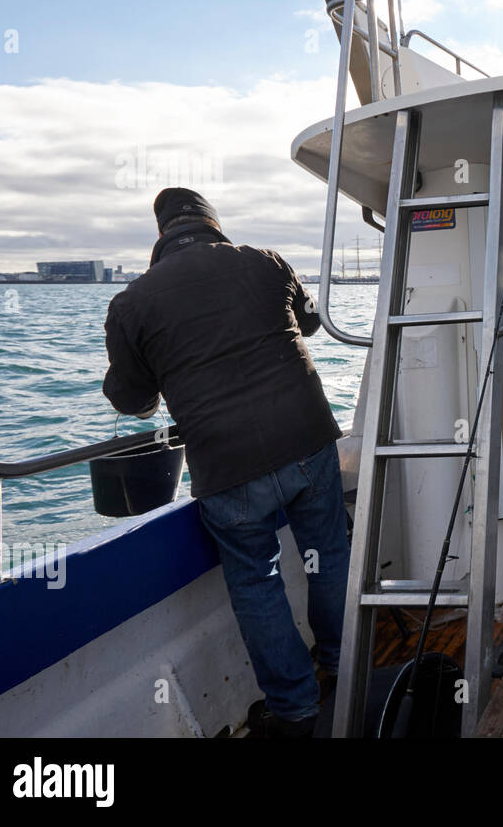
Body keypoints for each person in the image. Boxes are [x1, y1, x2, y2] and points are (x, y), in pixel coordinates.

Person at [102, 187, 348, 738]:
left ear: (161, 235)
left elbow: (134, 400)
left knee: (256, 582)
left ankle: (295, 708)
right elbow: (309, 323)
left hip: (227, 467)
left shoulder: (132, 303)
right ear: (213, 224)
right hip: (308, 441)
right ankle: (341, 660)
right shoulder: (265, 261)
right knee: (328, 553)